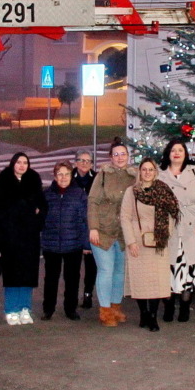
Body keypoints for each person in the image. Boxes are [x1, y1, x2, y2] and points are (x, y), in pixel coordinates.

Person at [121, 158, 181, 332]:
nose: (147, 173)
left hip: (158, 242)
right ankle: (143, 313)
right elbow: (125, 217)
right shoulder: (131, 192)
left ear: (155, 172)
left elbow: (172, 214)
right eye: (144, 169)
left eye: (150, 169)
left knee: (156, 282)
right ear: (140, 172)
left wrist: (165, 234)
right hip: (138, 242)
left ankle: (153, 317)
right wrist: (131, 241)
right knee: (140, 281)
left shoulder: (163, 190)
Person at [158, 138, 195, 323]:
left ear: (185, 153)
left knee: (189, 269)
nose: (177, 153)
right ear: (168, 153)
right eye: (173, 150)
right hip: (169, 229)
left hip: (192, 227)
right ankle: (168, 306)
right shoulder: (160, 173)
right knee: (168, 269)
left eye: (180, 150)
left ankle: (184, 307)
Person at [87, 140, 138, 327]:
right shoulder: (102, 175)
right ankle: (105, 310)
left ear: (128, 156)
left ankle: (116, 307)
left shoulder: (134, 176)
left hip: (124, 233)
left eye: (123, 154)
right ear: (110, 157)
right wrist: (93, 227)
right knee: (106, 270)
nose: (119, 157)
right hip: (103, 231)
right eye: (115, 154)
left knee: (119, 272)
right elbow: (93, 201)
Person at [0, 152, 47, 325]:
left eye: (25, 162)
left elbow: (42, 207)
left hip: (29, 237)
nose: (22, 166)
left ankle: (25, 308)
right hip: (9, 237)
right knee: (12, 274)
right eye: (18, 162)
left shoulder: (34, 181)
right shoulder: (3, 183)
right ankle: (11, 309)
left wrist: (36, 217)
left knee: (28, 274)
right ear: (12, 164)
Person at [41, 161, 90, 321]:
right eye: (60, 174)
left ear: (71, 175)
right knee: (50, 278)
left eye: (66, 174)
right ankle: (48, 309)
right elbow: (41, 219)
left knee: (72, 279)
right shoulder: (47, 195)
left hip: (73, 244)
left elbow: (85, 220)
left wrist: (85, 243)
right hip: (51, 244)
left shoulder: (79, 195)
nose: (63, 177)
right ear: (55, 176)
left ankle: (70, 309)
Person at [72, 150, 98, 310]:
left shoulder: (97, 179)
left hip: (90, 226)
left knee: (91, 265)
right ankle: (72, 296)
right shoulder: (68, 178)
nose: (84, 163)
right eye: (81, 160)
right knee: (73, 266)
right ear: (75, 162)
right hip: (73, 228)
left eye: (88, 161)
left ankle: (88, 293)